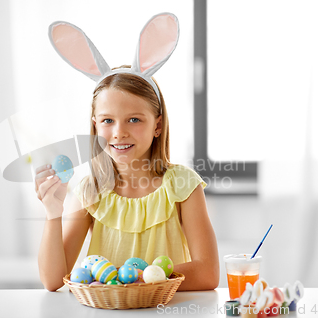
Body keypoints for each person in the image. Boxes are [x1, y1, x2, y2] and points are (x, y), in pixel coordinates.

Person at [36, 13, 219, 292]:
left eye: (134, 119)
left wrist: (138, 279)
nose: (119, 132)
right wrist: (53, 212)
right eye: (108, 121)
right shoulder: (90, 189)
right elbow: (52, 280)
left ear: (157, 125)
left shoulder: (182, 185)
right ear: (96, 125)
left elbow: (208, 273)